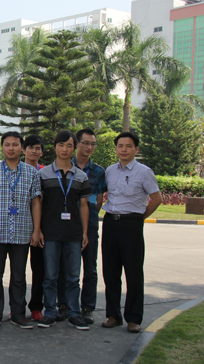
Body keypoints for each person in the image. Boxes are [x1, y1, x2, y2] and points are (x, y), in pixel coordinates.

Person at [0, 132, 41, 330]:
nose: (11, 148)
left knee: (19, 276)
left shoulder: (31, 172)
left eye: (15, 144)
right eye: (7, 144)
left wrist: (36, 230)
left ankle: (18, 314)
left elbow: (36, 202)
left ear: (22, 148)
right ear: (2, 147)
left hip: (22, 231)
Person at [101, 132, 161, 333]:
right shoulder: (110, 171)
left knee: (133, 273)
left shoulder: (144, 172)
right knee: (110, 272)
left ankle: (134, 318)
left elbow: (157, 198)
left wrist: (139, 218)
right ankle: (113, 315)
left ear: (136, 149)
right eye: (120, 146)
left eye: (128, 146)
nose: (124, 150)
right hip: (110, 222)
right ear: (116, 148)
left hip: (131, 224)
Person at [36, 131, 91, 331]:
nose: (65, 149)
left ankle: (74, 313)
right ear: (55, 147)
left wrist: (84, 232)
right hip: (50, 233)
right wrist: (38, 229)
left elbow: (83, 206)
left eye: (69, 145)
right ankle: (50, 312)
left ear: (74, 148)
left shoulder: (81, 176)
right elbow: (38, 203)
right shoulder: (43, 174)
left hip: (73, 234)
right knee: (50, 276)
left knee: (73, 277)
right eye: (61, 145)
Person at [56, 129, 106, 325]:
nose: (89, 147)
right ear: (77, 144)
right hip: (66, 226)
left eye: (93, 144)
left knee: (90, 268)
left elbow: (99, 200)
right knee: (64, 268)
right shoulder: (65, 166)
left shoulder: (99, 171)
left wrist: (87, 216)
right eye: (85, 143)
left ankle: (87, 308)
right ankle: (63, 305)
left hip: (89, 225)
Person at [23, 135, 46, 321]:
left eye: (37, 148)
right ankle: (17, 306)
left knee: (39, 269)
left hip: (40, 227)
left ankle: (36, 306)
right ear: (24, 150)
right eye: (30, 147)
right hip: (20, 225)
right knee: (18, 270)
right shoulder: (16, 170)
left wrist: (39, 229)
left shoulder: (46, 173)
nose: (34, 151)